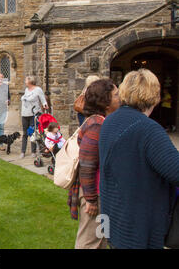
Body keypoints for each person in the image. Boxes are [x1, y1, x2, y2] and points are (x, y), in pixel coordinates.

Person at [99, 69, 179, 249]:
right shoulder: (148, 129)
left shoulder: (110, 121)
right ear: (155, 96)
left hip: (114, 216)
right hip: (137, 226)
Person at [68, 78, 120, 249]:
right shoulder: (96, 125)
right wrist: (90, 199)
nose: (120, 98)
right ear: (105, 102)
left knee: (101, 238)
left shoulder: (101, 121)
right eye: (116, 95)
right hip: (94, 195)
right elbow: (87, 164)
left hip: (100, 193)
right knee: (90, 242)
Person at [20, 76, 49, 159]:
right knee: (25, 133)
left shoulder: (38, 90)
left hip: (34, 114)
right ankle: (23, 151)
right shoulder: (26, 90)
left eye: (26, 80)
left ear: (30, 82)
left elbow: (43, 100)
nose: (25, 82)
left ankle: (33, 151)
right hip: (24, 114)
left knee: (33, 133)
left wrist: (45, 105)